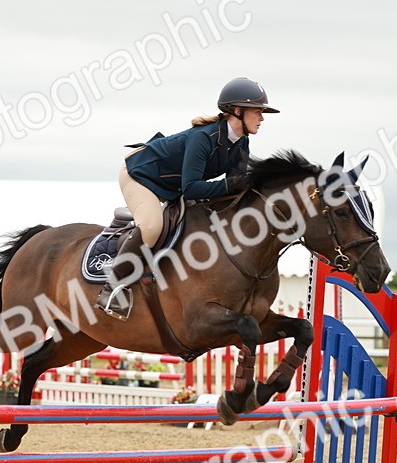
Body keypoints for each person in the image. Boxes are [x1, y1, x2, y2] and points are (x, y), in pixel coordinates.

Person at [95, 76, 279, 319]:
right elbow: (193, 188)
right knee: (152, 227)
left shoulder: (241, 143)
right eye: (258, 112)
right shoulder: (203, 138)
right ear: (237, 111)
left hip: (174, 185)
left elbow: (234, 190)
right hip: (140, 174)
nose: (262, 118)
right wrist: (231, 184)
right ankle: (112, 287)